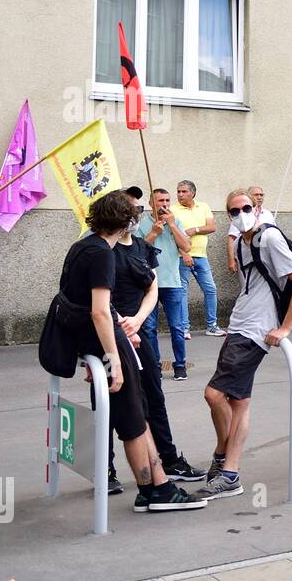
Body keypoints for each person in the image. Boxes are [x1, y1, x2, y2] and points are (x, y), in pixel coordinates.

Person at [56, 192, 206, 511]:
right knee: (132, 422)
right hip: (108, 344)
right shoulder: (101, 253)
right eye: (136, 212)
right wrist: (113, 358)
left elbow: (85, 302)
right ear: (126, 220)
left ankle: (158, 485)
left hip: (103, 340)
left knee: (136, 416)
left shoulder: (83, 247)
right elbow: (97, 311)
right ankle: (153, 491)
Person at [201, 191, 292, 499]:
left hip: (256, 330)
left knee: (213, 393)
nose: (241, 213)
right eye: (234, 211)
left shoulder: (270, 238)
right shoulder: (240, 242)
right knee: (238, 402)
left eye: (246, 208)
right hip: (239, 324)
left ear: (258, 208)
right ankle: (228, 469)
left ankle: (226, 463)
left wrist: (286, 327)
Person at [105, 187, 206, 494]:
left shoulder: (140, 247)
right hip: (111, 336)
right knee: (111, 401)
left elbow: (151, 285)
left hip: (138, 334)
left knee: (154, 396)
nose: (135, 215)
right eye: (132, 210)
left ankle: (169, 458)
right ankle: (106, 468)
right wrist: (118, 327)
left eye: (136, 210)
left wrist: (136, 322)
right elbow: (97, 297)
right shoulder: (102, 250)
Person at [137, 188, 191, 381]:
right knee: (150, 328)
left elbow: (186, 246)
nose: (165, 204)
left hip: (172, 283)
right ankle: (154, 366)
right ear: (152, 203)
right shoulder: (142, 224)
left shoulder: (175, 222)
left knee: (177, 327)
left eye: (167, 200)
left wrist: (171, 225)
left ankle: (180, 365)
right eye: (160, 201)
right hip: (150, 284)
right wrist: (153, 234)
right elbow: (137, 252)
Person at [174, 179, 224, 338]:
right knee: (182, 292)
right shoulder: (173, 209)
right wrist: (184, 253)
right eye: (178, 191)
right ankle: (184, 328)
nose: (180, 194)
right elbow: (172, 235)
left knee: (211, 289)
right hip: (182, 256)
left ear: (193, 193)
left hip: (202, 255)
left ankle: (212, 326)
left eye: (184, 191)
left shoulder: (203, 206)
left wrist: (194, 230)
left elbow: (212, 227)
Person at [226, 185, 275, 272]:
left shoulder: (268, 214)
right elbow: (231, 237)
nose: (259, 197)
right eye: (256, 195)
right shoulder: (238, 217)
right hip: (247, 257)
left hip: (268, 256)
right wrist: (231, 260)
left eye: (261, 195)